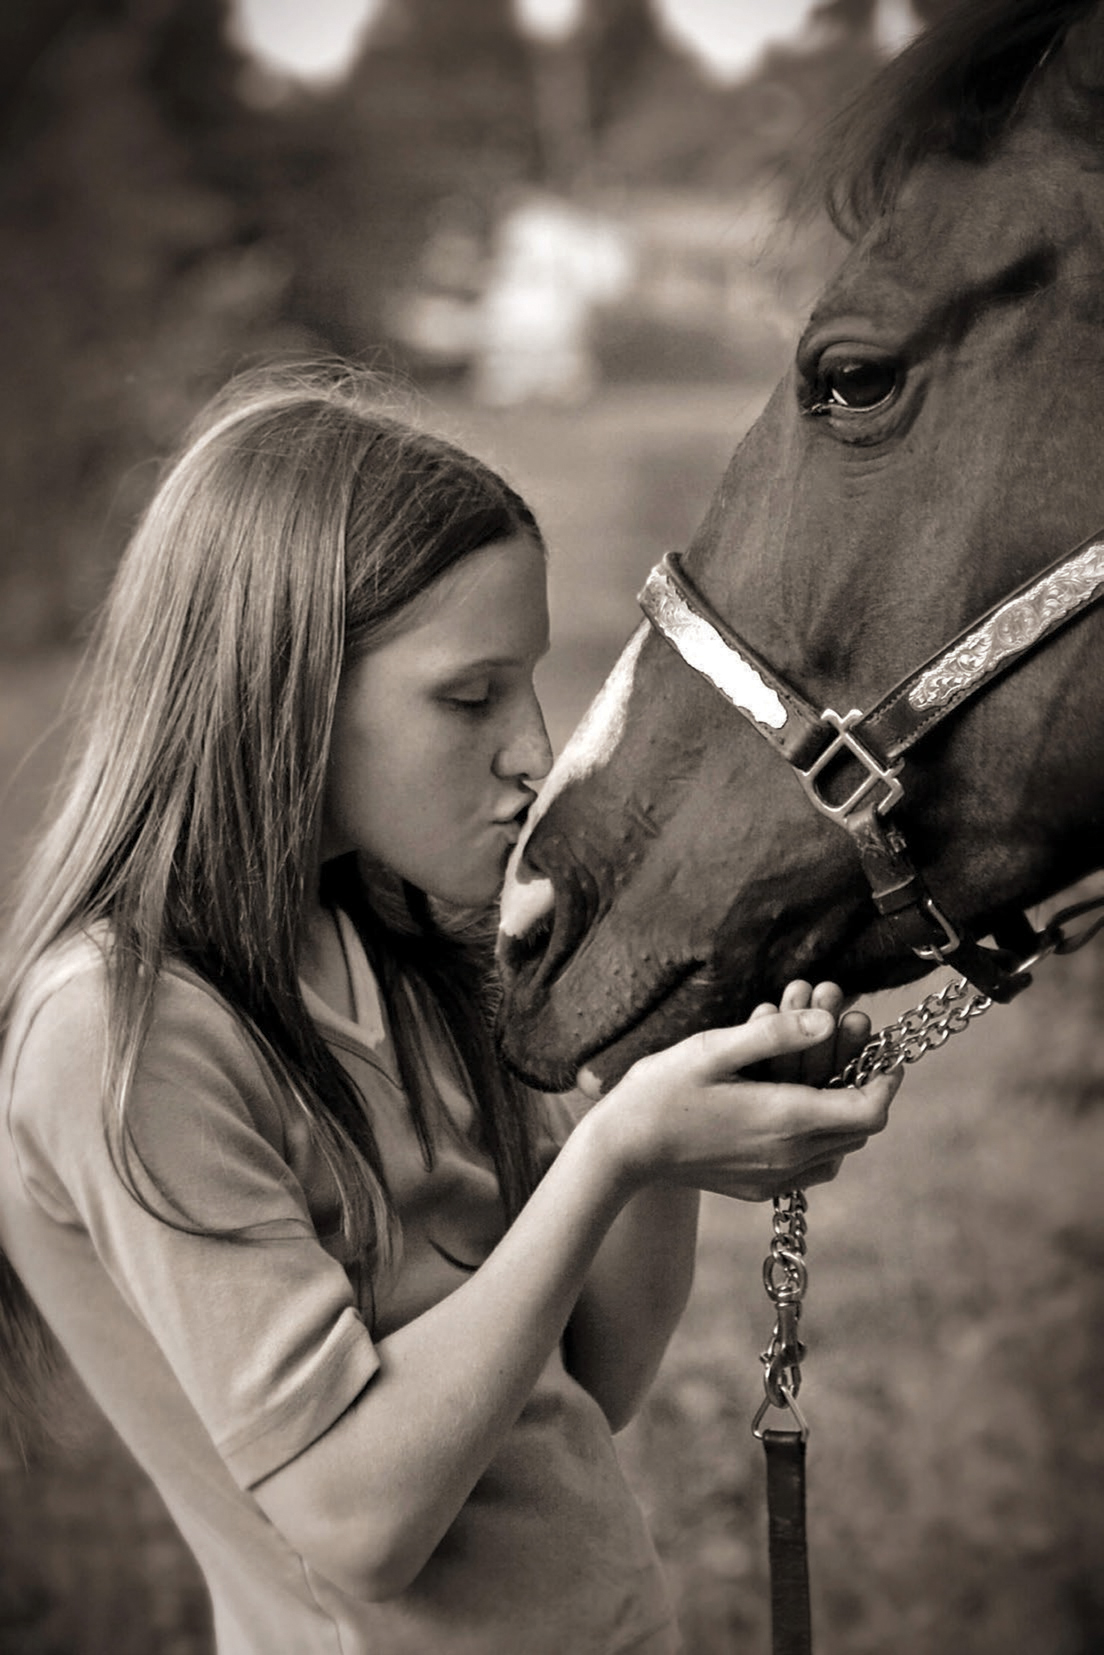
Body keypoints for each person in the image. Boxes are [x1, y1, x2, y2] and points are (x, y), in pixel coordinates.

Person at [0, 364, 899, 1654]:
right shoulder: (124, 1036)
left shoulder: (393, 951)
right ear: (281, 688)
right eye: (469, 697)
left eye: (526, 684)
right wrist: (618, 1150)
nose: (535, 749)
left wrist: (649, 1070)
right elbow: (359, 1519)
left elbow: (586, 1380)